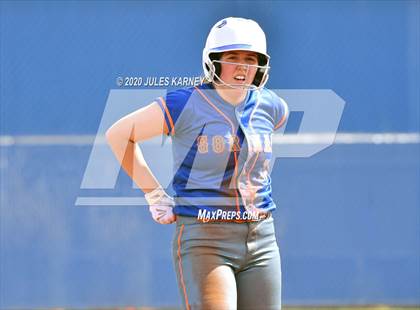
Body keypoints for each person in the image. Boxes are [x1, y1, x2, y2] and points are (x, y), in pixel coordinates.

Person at [106, 17, 288, 310]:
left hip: (262, 238)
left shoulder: (272, 105)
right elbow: (118, 135)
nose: (242, 66)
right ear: (213, 61)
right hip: (207, 238)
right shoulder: (185, 103)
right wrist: (153, 193)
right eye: (232, 57)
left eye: (250, 58)